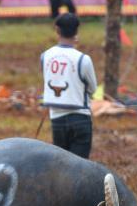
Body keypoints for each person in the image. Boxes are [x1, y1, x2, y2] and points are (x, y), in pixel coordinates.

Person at [41, 13, 97, 159]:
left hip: (56, 119)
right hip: (80, 118)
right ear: (77, 32)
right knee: (80, 166)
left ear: (57, 30)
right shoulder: (84, 59)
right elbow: (93, 89)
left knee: (62, 167)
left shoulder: (45, 56)